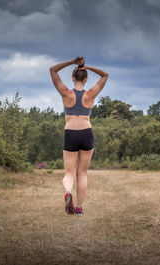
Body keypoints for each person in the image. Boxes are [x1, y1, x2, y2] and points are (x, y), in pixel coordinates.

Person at [49, 57, 108, 215]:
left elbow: (52, 70)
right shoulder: (91, 94)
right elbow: (105, 75)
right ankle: (80, 208)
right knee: (82, 173)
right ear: (86, 79)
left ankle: (68, 192)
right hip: (86, 132)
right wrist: (85, 66)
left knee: (69, 173)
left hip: (70, 132)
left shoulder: (66, 93)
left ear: (73, 78)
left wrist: (72, 63)